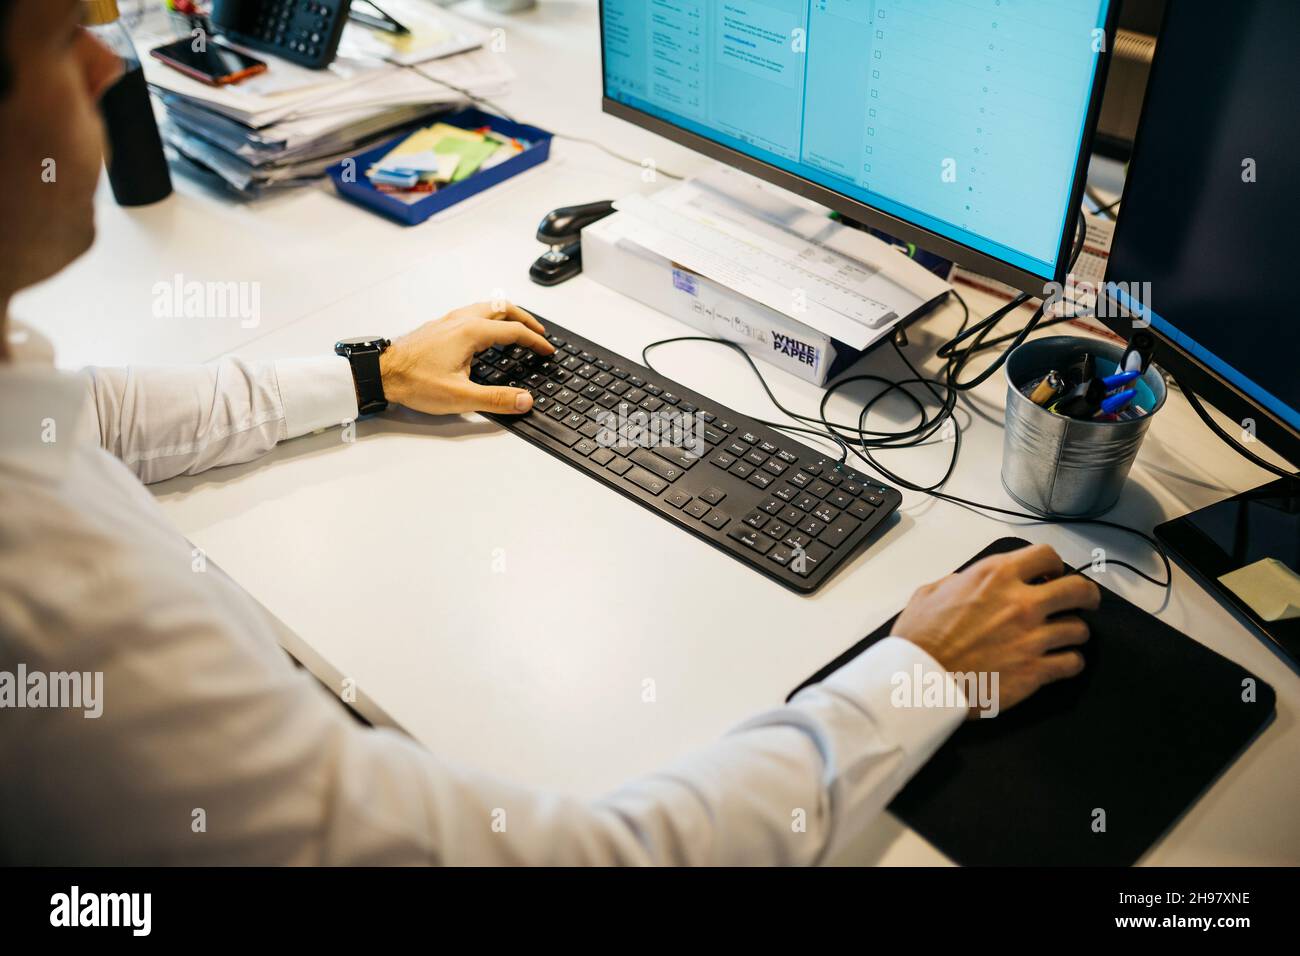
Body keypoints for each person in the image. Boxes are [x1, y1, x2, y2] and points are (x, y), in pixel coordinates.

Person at [0, 0, 1099, 865]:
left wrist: (370, 374)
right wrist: (916, 672)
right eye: (62, 39)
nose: (113, 68)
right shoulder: (58, 603)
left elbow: (92, 412)